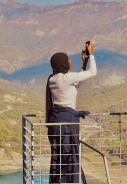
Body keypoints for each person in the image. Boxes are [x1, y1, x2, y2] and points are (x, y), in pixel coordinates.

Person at [46, 40, 97, 183]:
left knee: (59, 156)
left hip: (56, 122)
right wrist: (91, 54)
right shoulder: (66, 78)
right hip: (67, 123)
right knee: (70, 155)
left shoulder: (53, 79)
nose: (69, 61)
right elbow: (93, 72)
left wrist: (83, 64)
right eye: (68, 59)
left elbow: (76, 84)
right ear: (62, 62)